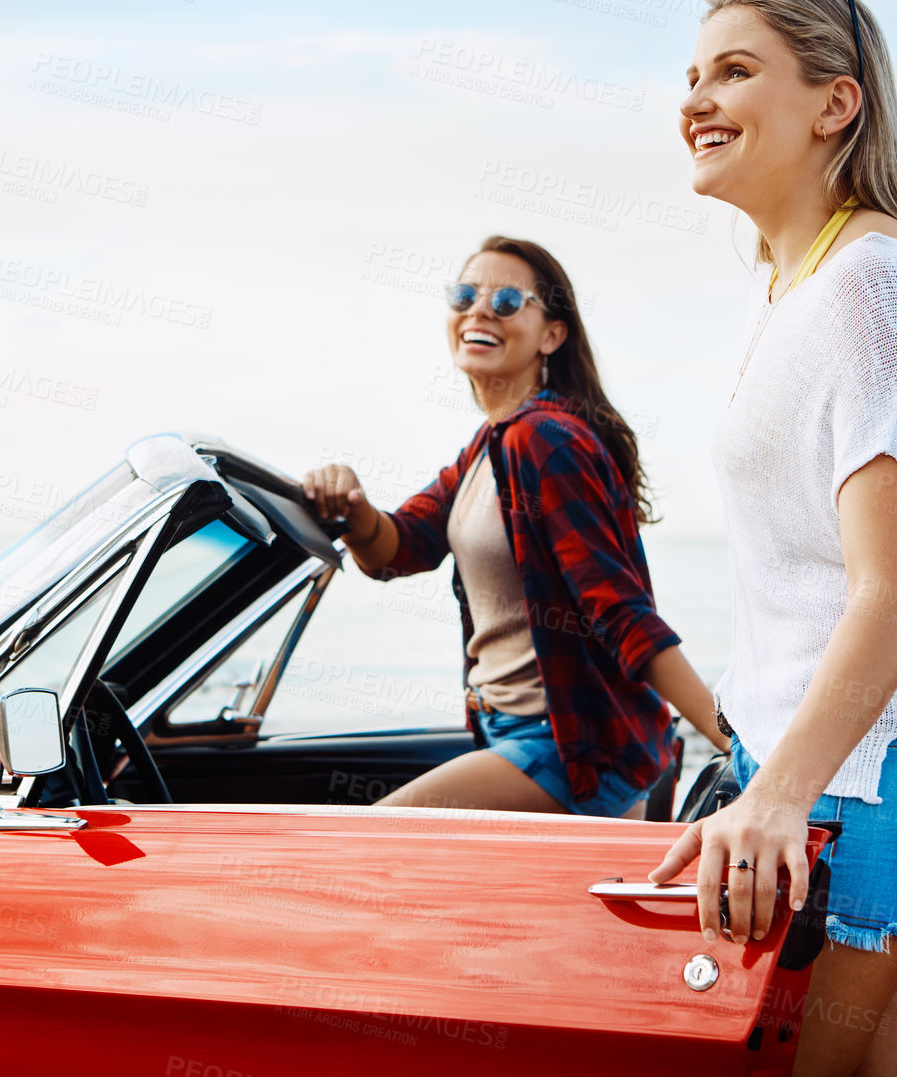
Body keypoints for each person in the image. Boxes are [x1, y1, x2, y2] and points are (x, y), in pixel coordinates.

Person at [647, 0, 897, 1076]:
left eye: (737, 69)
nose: (697, 99)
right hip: (833, 772)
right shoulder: (797, 288)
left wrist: (775, 795)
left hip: (866, 794)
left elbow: (896, 589)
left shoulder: (876, 282)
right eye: (694, 75)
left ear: (835, 103)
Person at [302, 235, 729, 819]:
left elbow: (619, 612)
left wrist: (737, 741)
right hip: (524, 738)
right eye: (464, 294)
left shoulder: (543, 440)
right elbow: (396, 550)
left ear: (552, 335)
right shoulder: (491, 445)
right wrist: (350, 507)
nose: (479, 309)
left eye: (506, 301)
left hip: (564, 749)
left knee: (365, 839)